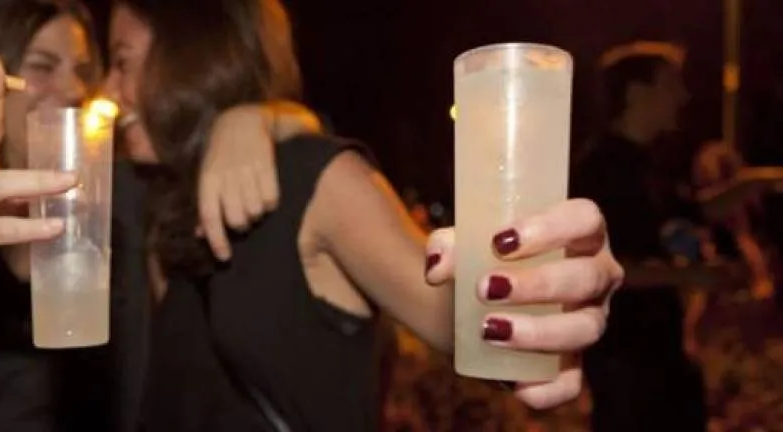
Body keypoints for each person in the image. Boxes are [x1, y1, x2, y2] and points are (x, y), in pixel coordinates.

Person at [106, 0, 621, 430]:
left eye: (122, 62)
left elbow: (466, 321)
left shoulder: (315, 179)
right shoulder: (161, 205)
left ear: (190, 54)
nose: (107, 90)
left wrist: (552, 296)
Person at [0, 0, 323, 430]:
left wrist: (256, 119)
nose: (75, 89)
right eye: (43, 66)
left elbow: (296, 151)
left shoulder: (128, 205)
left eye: (85, 69)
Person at [572, 41, 715, 431]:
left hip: (665, 357)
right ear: (637, 92)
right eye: (671, 84)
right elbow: (599, 267)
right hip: (626, 366)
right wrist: (692, 276)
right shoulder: (601, 170)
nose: (683, 96)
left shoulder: (650, 164)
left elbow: (694, 211)